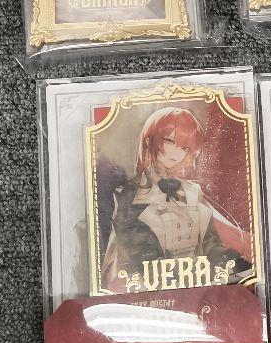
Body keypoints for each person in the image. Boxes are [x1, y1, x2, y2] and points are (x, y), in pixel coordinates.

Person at [100, 107, 253, 292]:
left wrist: (235, 264)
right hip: (153, 290)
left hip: (201, 286)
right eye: (169, 141)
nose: (176, 151)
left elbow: (210, 245)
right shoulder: (127, 196)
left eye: (183, 147)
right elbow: (140, 259)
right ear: (150, 140)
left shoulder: (193, 191)